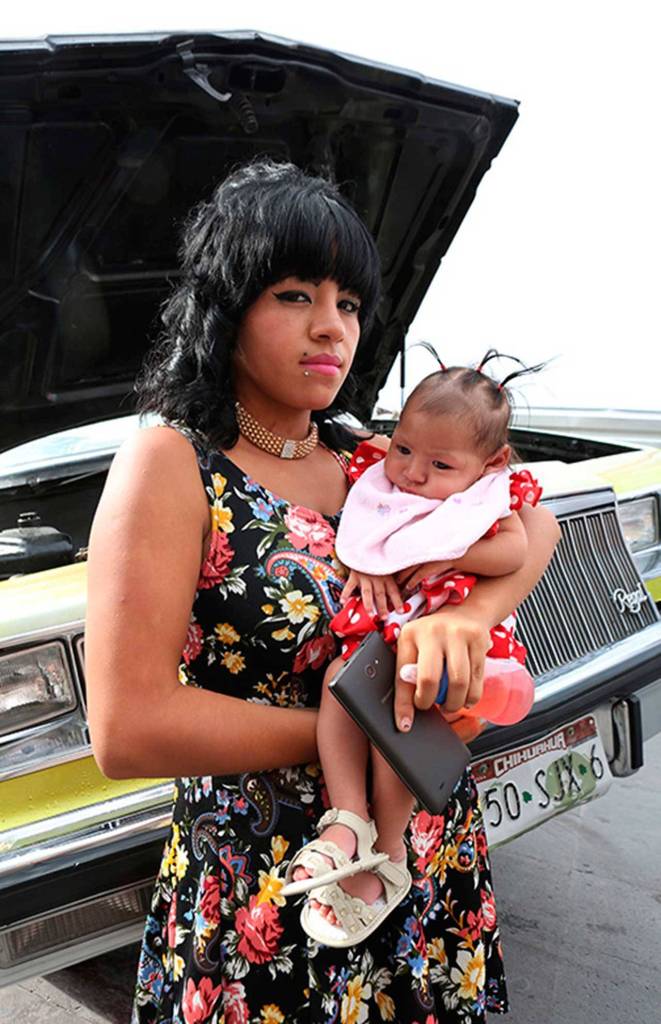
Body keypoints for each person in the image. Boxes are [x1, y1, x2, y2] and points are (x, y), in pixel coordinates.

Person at [84, 157, 560, 1024]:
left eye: (346, 303)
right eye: (296, 295)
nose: (330, 328)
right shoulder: (174, 464)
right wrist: (376, 732)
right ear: (228, 308)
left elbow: (534, 525)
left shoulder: (367, 455)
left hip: (423, 861)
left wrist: (471, 615)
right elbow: (126, 728)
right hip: (275, 886)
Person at [282, 358, 544, 948]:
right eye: (403, 449)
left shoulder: (488, 498)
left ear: (492, 464)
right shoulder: (379, 472)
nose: (412, 475)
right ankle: (347, 820)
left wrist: (454, 558)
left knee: (398, 718)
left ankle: (389, 846)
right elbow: (365, 525)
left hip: (434, 642)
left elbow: (515, 548)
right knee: (338, 684)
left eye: (439, 465)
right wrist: (368, 554)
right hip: (385, 632)